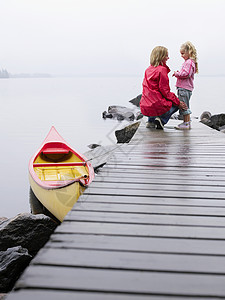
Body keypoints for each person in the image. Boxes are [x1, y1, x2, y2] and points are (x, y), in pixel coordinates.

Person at [140, 46, 187, 130]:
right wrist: (178, 102)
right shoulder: (162, 70)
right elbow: (165, 91)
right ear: (161, 57)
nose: (168, 58)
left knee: (152, 99)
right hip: (156, 105)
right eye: (166, 56)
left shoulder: (148, 70)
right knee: (175, 104)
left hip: (145, 106)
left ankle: (150, 121)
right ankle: (162, 120)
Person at [173, 41, 198, 130]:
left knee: (184, 105)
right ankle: (186, 122)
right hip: (186, 88)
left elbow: (186, 74)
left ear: (189, 52)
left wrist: (177, 74)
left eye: (183, 53)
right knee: (184, 105)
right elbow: (186, 73)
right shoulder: (191, 62)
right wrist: (179, 73)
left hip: (184, 88)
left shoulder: (188, 62)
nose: (181, 55)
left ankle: (186, 123)